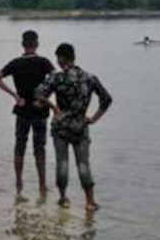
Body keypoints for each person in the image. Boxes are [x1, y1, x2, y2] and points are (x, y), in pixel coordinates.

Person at [35, 43, 113, 212]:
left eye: (58, 58)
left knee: (62, 163)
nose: (57, 61)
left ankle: (63, 199)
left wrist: (53, 108)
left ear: (61, 58)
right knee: (83, 164)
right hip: (81, 126)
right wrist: (93, 119)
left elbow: (38, 94)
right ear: (74, 57)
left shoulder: (56, 77)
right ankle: (90, 201)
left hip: (61, 126)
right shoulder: (89, 78)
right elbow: (106, 100)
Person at [0, 30, 55, 197]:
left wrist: (14, 95)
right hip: (40, 110)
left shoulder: (15, 63)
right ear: (37, 44)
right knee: (39, 147)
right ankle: (42, 184)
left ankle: (19, 183)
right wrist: (44, 98)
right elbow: (56, 79)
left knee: (20, 146)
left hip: (22, 109)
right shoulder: (43, 62)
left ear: (23, 44)